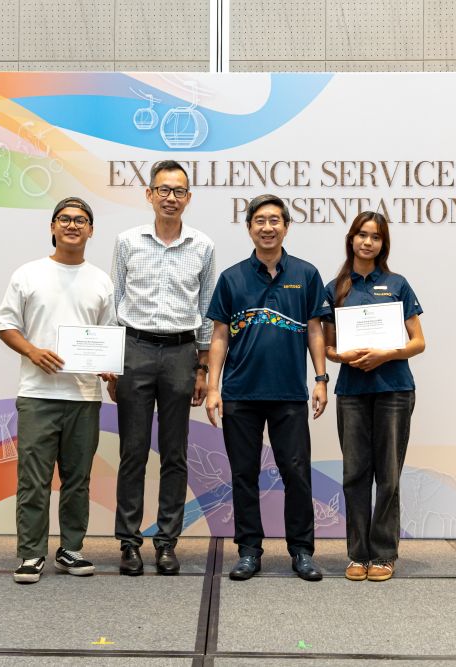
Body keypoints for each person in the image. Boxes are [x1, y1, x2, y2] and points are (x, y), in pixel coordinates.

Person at [205, 194, 330, 582]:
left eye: (275, 220)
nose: (267, 227)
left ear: (286, 227)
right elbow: (219, 336)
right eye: (259, 220)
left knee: (297, 473)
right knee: (244, 475)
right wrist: (213, 387)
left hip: (289, 394)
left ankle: (302, 551)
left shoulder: (306, 274)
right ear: (249, 228)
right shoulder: (232, 278)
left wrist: (321, 379)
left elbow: (315, 330)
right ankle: (248, 550)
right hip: (240, 394)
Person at [0, 197, 116, 584]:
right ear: (52, 227)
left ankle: (71, 550)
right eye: (64, 219)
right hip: (38, 394)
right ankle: (31, 553)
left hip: (84, 397)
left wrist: (108, 368)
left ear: (91, 230)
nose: (72, 225)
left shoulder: (101, 281)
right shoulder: (28, 274)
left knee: (78, 480)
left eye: (81, 220)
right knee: (34, 479)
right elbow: (5, 324)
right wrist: (32, 351)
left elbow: (107, 337)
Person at [109, 160, 217, 576]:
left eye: (179, 191)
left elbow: (206, 310)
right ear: (149, 194)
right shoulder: (127, 242)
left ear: (188, 197)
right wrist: (112, 363)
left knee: (175, 453)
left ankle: (167, 541)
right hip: (134, 349)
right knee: (133, 451)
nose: (171, 198)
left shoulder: (202, 246)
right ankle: (129, 542)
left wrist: (202, 368)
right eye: (163, 190)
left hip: (180, 353)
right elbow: (115, 303)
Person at [322, 211, 426, 582]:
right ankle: (357, 554)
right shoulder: (335, 288)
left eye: (376, 237)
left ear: (383, 244)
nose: (368, 242)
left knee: (388, 476)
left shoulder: (397, 284)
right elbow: (328, 347)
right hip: (352, 391)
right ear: (351, 239)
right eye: (362, 235)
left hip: (394, 390)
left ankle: (383, 554)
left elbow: (419, 342)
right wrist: (342, 356)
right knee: (354, 475)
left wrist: (386, 354)